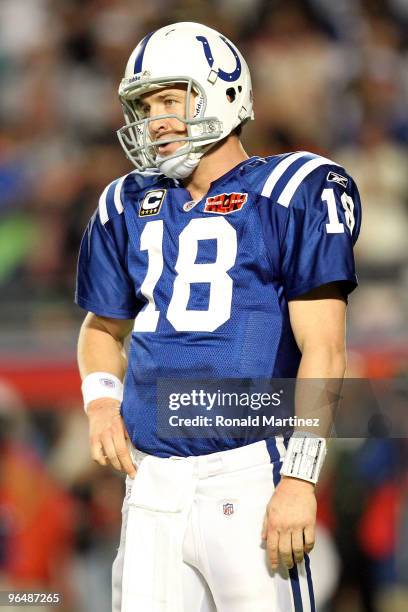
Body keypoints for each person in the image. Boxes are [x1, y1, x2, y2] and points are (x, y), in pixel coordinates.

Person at [75, 21, 361, 612]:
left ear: (222, 91)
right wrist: (102, 400)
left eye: (170, 99)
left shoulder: (294, 188)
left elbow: (325, 351)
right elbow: (102, 330)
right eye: (145, 104)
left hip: (251, 470)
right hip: (151, 483)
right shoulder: (126, 202)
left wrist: (301, 478)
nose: (155, 119)